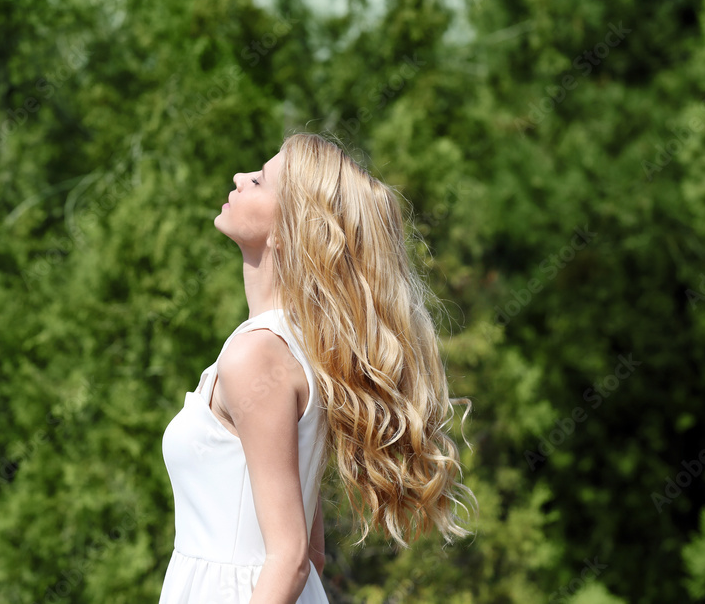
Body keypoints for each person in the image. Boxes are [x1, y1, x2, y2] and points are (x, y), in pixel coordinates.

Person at [159, 132, 475, 603]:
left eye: (261, 180)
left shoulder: (256, 356)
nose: (239, 178)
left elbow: (290, 560)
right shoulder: (295, 349)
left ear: (288, 230)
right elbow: (312, 552)